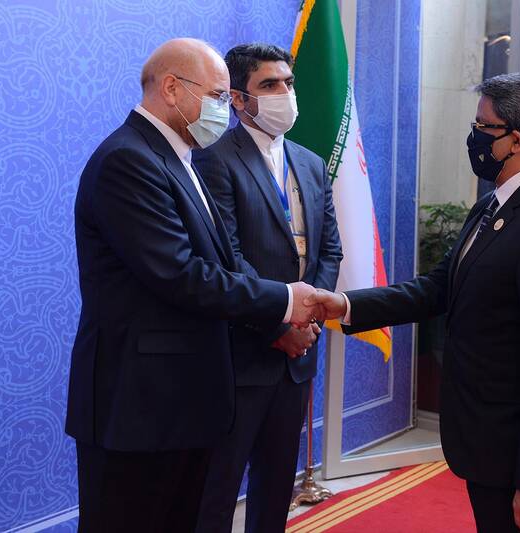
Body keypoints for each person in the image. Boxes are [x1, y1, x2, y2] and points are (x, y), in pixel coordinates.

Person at [309, 71, 520, 533]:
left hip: (515, 446)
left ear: (517, 140)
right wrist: (344, 304)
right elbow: (439, 288)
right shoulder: (496, 204)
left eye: (482, 126)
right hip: (486, 434)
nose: (473, 135)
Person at [65, 38, 320, 533]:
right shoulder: (128, 160)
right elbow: (181, 275)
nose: (226, 109)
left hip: (182, 402)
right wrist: (286, 299)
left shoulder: (177, 155)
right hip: (140, 406)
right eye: (219, 96)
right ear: (171, 88)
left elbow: (219, 260)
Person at [193, 43, 342, 533]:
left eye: (288, 83)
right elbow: (226, 257)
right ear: (238, 99)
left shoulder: (311, 163)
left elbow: (330, 251)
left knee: (277, 485)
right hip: (244, 353)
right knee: (217, 488)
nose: (285, 94)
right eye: (270, 85)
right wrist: (280, 324)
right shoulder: (213, 159)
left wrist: (309, 317)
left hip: (299, 356)